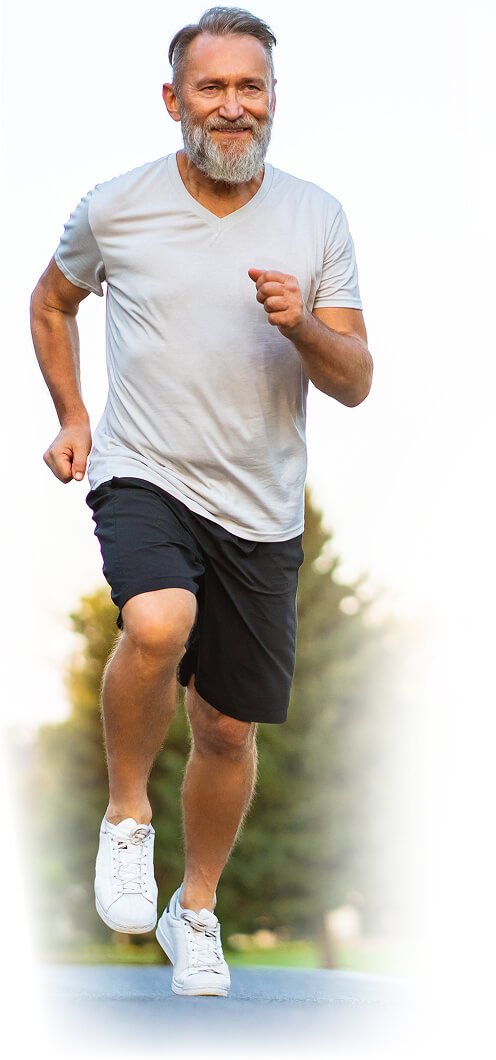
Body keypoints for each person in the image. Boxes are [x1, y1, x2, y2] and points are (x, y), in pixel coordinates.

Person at [30, 6, 373, 997]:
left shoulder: (318, 218)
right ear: (174, 100)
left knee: (226, 729)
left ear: (272, 100)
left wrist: (302, 324)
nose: (232, 105)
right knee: (156, 618)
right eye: (212, 87)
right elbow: (52, 299)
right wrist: (72, 415)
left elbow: (353, 378)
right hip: (145, 468)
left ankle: (197, 911)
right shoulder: (115, 205)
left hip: (261, 505)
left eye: (250, 86)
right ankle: (127, 818)